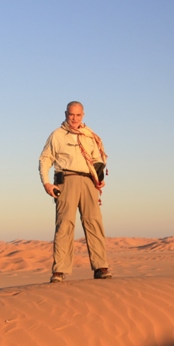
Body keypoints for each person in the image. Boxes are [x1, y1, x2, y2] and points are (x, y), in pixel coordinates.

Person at [39, 101, 111, 283]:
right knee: (64, 224)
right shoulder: (57, 135)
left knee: (94, 222)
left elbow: (97, 159)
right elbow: (45, 159)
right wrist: (46, 183)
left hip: (88, 181)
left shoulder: (89, 135)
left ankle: (101, 267)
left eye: (78, 115)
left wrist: (99, 178)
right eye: (71, 114)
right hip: (66, 181)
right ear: (65, 114)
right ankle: (60, 270)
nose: (74, 118)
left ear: (83, 115)